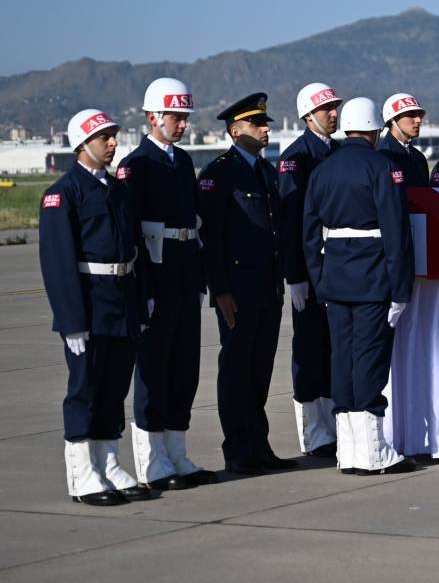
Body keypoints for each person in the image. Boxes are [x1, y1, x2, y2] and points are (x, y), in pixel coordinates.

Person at [40, 109, 152, 505]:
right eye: (103, 136)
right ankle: (82, 473)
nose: (112, 142)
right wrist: (71, 321)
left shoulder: (118, 190)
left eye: (113, 135)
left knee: (113, 387)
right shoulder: (63, 193)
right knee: (84, 389)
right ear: (81, 144)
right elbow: (57, 262)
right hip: (88, 305)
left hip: (120, 301)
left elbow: (132, 250)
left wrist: (140, 303)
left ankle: (109, 464)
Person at [302, 97, 416, 475]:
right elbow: (396, 234)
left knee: (342, 359)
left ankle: (348, 451)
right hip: (372, 279)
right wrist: (400, 290)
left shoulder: (322, 170)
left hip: (335, 280)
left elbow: (309, 234)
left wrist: (320, 280)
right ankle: (372, 451)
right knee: (370, 359)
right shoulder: (383, 167)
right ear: (375, 128)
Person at [118, 78, 216, 490]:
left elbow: (191, 226)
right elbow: (131, 233)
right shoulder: (136, 165)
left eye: (184, 118)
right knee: (154, 369)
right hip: (155, 279)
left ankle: (177, 452)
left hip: (182, 274)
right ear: (152, 117)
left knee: (184, 367)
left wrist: (196, 279)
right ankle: (152, 460)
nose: (181, 125)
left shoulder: (181, 162)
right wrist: (145, 290)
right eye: (174, 117)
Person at [197, 93, 296, 475]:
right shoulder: (218, 175)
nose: (266, 128)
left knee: (260, 368)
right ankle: (238, 448)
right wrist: (219, 290)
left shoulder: (267, 173)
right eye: (258, 124)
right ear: (236, 131)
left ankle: (258, 444)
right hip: (236, 291)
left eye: (265, 122)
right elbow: (212, 238)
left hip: (267, 288)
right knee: (237, 369)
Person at [278, 82, 342, 458]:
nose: (333, 114)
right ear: (307, 116)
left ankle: (332, 424)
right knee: (309, 349)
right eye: (326, 110)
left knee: (332, 346)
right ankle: (313, 431)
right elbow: (290, 223)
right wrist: (295, 276)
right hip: (308, 267)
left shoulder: (335, 151)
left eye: (335, 108)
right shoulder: (296, 158)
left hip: (335, 265)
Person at [378, 92, 429, 187]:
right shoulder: (382, 157)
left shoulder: (419, 157)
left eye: (419, 115)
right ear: (393, 119)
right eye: (411, 114)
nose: (418, 120)